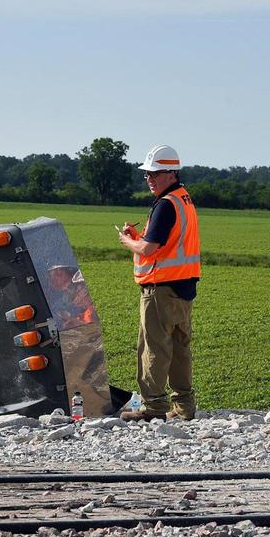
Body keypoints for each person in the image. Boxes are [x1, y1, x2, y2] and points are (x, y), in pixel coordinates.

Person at [116, 144, 201, 421]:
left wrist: (128, 240)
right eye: (147, 175)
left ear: (170, 173)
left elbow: (149, 249)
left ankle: (153, 407)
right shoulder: (184, 199)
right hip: (183, 288)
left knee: (153, 348)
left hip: (160, 288)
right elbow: (168, 242)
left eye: (154, 174)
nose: (149, 179)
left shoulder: (165, 205)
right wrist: (140, 235)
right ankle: (184, 407)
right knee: (179, 349)